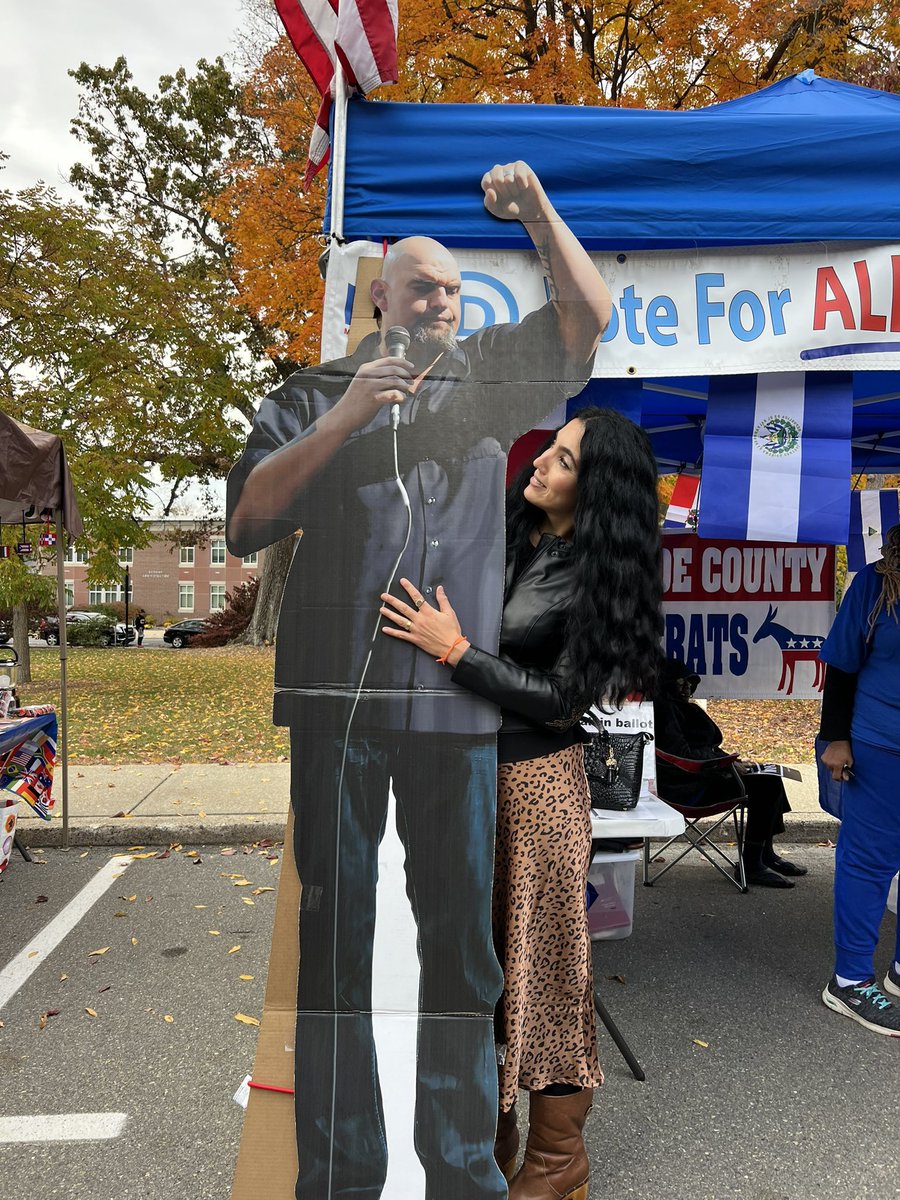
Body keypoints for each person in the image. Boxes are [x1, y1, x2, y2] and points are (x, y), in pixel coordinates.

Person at [226, 162, 612, 1198]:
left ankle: (460, 1174)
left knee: (459, 955)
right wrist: (345, 417)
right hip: (335, 706)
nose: (439, 301)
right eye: (420, 287)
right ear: (381, 296)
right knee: (337, 950)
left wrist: (534, 212)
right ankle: (342, 1178)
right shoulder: (309, 393)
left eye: (452, 289)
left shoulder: (491, 374)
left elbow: (588, 318)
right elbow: (249, 517)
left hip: (454, 709)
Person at [381, 406, 662, 1200]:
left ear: (597, 491)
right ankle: (490, 1132)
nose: (542, 462)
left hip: (536, 790)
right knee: (473, 968)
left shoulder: (597, 574)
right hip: (459, 778)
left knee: (544, 973)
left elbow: (562, 702)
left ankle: (555, 1160)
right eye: (551, 449)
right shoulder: (508, 531)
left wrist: (457, 652)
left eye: (565, 461)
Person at [818, 524, 900, 1036]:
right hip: (877, 746)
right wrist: (835, 740)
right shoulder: (876, 584)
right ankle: (848, 981)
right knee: (868, 862)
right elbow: (843, 667)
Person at [653, 657, 807, 888]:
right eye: (680, 682)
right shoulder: (663, 711)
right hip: (686, 787)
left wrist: (733, 761)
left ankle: (765, 853)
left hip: (704, 775)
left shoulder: (682, 708)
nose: (687, 687)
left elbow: (706, 748)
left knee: (771, 777)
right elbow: (681, 755)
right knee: (766, 787)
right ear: (665, 684)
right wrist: (725, 763)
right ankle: (752, 865)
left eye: (690, 682)